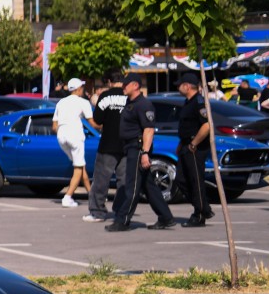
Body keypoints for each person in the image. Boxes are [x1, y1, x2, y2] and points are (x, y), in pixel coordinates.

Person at [108, 77, 176, 232]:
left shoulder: (144, 104)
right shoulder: (130, 103)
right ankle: (166, 217)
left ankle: (122, 220)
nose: (123, 87)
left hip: (138, 148)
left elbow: (149, 130)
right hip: (131, 147)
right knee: (148, 185)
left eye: (126, 84)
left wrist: (144, 152)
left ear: (136, 85)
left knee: (132, 186)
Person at [52, 77, 96, 208]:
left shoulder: (61, 102)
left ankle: (91, 195)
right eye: (82, 87)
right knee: (78, 167)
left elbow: (54, 126)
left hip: (61, 136)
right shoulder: (83, 102)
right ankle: (68, 197)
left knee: (80, 165)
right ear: (78, 89)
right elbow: (93, 123)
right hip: (75, 136)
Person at [175, 76, 213, 227]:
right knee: (181, 180)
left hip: (195, 147)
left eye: (179, 85)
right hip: (186, 144)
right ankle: (203, 208)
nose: (178, 88)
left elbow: (207, 126)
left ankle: (200, 213)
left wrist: (193, 143)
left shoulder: (199, 102)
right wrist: (182, 144)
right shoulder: (188, 102)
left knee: (195, 180)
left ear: (187, 86)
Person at [87, 79, 126, 221]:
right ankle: (121, 211)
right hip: (127, 144)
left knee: (101, 181)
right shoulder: (129, 96)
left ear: (109, 81)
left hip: (108, 144)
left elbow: (97, 120)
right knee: (124, 181)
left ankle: (98, 212)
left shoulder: (105, 97)